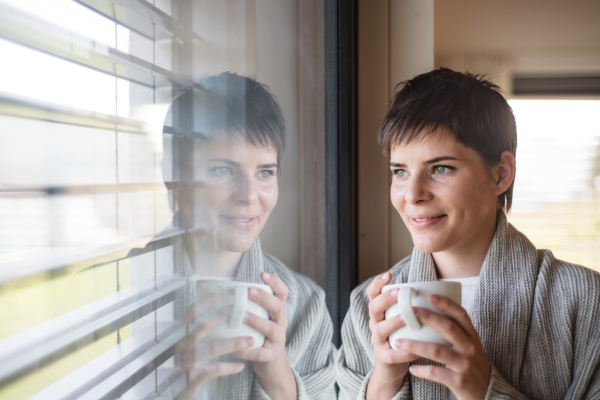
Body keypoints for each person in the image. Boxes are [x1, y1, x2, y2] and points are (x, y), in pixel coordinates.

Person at [336, 68, 600, 400]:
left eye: (440, 168)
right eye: (400, 171)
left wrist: (485, 390)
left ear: (501, 174)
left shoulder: (586, 301)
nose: (412, 194)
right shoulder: (367, 307)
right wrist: (384, 381)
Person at [132, 72, 335, 400]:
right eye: (223, 170)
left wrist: (277, 374)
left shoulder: (306, 306)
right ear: (172, 174)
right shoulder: (120, 292)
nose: (248, 195)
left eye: (265, 172)